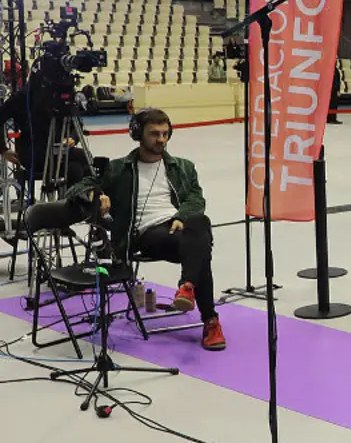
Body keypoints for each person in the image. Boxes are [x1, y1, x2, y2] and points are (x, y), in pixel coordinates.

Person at [69, 108, 226, 351]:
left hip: (177, 227)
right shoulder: (118, 169)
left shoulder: (183, 167)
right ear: (137, 134)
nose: (161, 139)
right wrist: (93, 194)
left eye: (165, 134)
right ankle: (211, 321)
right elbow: (77, 188)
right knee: (201, 250)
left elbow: (195, 199)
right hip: (144, 234)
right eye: (154, 134)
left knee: (200, 223)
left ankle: (187, 287)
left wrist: (181, 217)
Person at [0, 72, 92, 193]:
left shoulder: (59, 96)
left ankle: (78, 202)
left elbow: (76, 123)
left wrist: (73, 138)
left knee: (77, 168)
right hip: (34, 151)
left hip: (60, 149)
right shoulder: (22, 97)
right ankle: (72, 204)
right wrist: (3, 149)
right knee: (81, 160)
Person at [327, 59, 342, 125]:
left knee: (334, 105)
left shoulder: (336, 70)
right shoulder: (329, 70)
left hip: (334, 90)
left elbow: (338, 82)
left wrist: (338, 90)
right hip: (330, 90)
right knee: (330, 105)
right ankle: (330, 119)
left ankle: (333, 118)